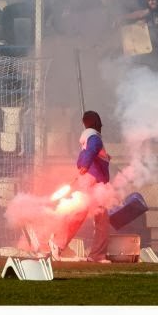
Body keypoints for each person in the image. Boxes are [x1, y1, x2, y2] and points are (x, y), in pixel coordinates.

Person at [49, 111, 112, 263]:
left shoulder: (86, 139)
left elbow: (83, 157)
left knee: (95, 218)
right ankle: (59, 243)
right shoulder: (95, 138)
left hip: (93, 182)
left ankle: (94, 254)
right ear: (97, 123)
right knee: (92, 217)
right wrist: (85, 166)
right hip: (94, 183)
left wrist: (84, 166)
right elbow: (90, 152)